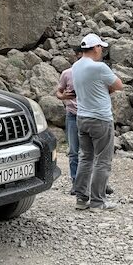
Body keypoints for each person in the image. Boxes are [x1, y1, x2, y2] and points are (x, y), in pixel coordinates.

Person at [71, 33, 123, 211]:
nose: (102, 50)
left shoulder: (75, 66)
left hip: (82, 117)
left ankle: (81, 198)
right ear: (95, 48)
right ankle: (98, 202)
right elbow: (119, 85)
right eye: (101, 47)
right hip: (100, 118)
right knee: (102, 160)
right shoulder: (99, 67)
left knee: (85, 158)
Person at [55, 49, 81, 190]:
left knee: (91, 151)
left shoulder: (94, 72)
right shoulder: (67, 73)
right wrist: (64, 96)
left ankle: (96, 183)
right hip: (72, 114)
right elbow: (58, 91)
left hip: (88, 114)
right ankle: (75, 183)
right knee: (73, 151)